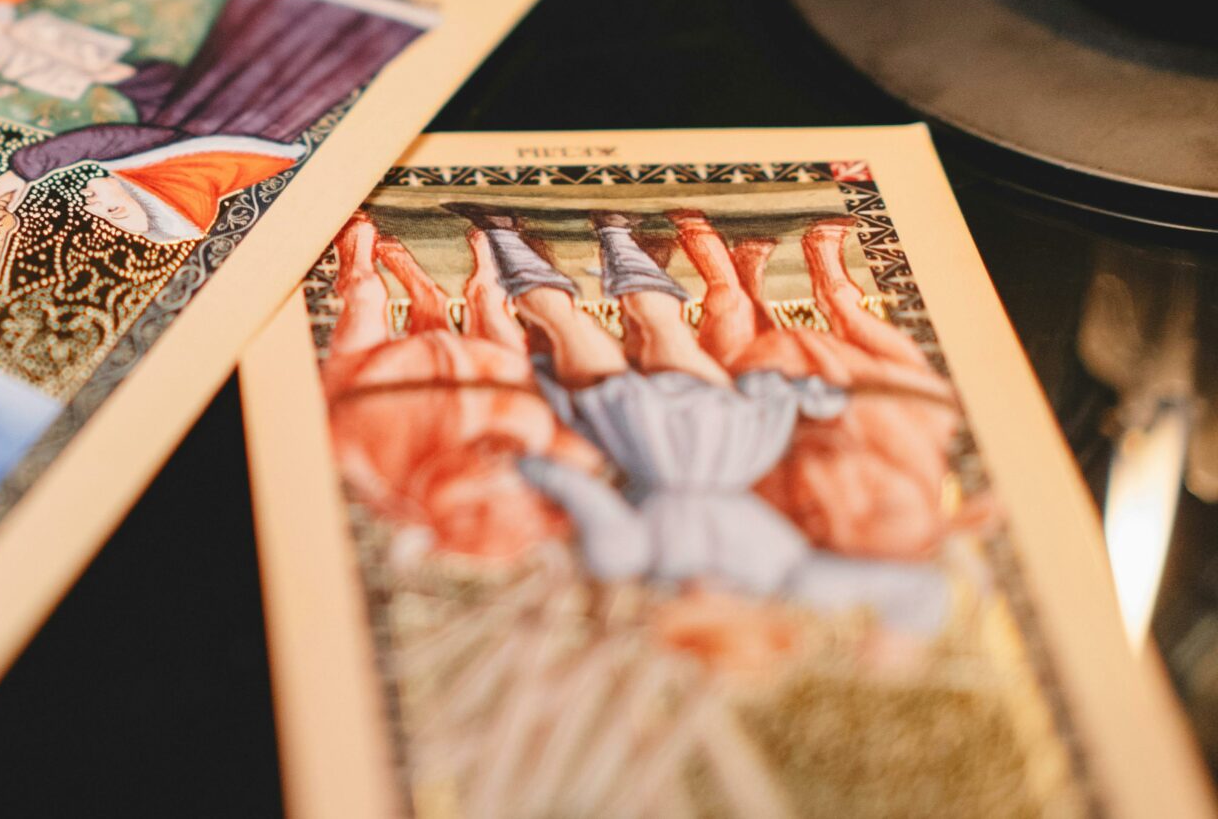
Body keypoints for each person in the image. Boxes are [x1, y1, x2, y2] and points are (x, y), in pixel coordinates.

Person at [459, 204, 953, 636]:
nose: (705, 599)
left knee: (568, 329)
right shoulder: (786, 574)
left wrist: (527, 466)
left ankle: (505, 235)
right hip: (724, 439)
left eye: (692, 615)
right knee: (663, 329)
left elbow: (581, 493)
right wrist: (903, 633)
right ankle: (614, 234)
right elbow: (916, 585)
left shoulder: (631, 561)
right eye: (719, 613)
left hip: (639, 437)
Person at [0, 0, 434, 244]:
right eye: (114, 211)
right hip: (259, 70)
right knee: (295, 37)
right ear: (151, 191)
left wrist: (133, 81)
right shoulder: (175, 160)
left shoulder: (185, 155)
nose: (92, 206)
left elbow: (174, 102)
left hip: (244, 75)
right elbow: (110, 139)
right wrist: (22, 172)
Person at [668, 209, 971, 561]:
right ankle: (828, 271)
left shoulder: (783, 522)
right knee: (914, 382)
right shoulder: (909, 501)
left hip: (780, 415)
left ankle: (739, 273)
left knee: (741, 346)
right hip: (859, 408)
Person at [320, 213, 599, 562]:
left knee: (363, 294)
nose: (497, 474)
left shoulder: (370, 463)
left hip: (377, 370)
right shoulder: (532, 459)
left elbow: (337, 429)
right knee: (492, 307)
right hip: (491, 370)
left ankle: (358, 250)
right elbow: (583, 446)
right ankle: (464, 274)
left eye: (473, 510)